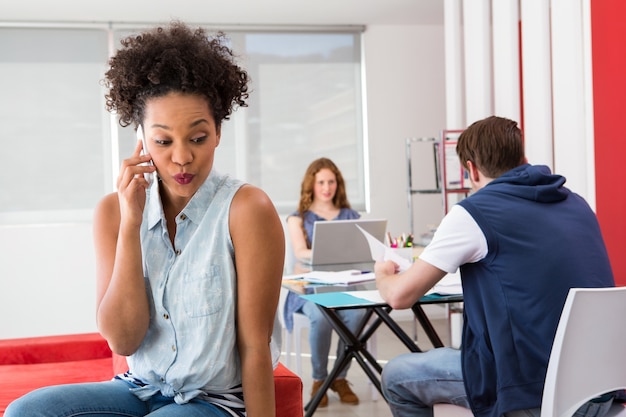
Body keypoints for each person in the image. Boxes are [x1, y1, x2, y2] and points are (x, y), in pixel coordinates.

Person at [6, 21, 284, 417]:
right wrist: (132, 224)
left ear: (219, 132)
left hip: (216, 401)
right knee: (26, 412)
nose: (183, 157)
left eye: (198, 137)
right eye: (163, 140)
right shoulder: (113, 212)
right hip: (139, 389)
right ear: (140, 136)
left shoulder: (246, 209)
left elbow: (256, 346)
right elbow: (123, 339)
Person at [375, 116, 615, 417]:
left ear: (471, 170)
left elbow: (400, 297)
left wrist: (382, 274)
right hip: (600, 389)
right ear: (523, 158)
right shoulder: (577, 203)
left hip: (532, 392)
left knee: (397, 376)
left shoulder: (473, 213)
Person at [284, 157, 364, 407]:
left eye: (331, 182)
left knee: (359, 314)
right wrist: (334, 253)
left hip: (345, 286)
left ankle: (339, 377)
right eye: (321, 182)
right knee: (320, 316)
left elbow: (359, 252)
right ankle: (320, 379)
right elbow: (300, 252)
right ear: (312, 185)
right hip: (309, 289)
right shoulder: (297, 218)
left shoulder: (351, 215)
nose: (327, 187)